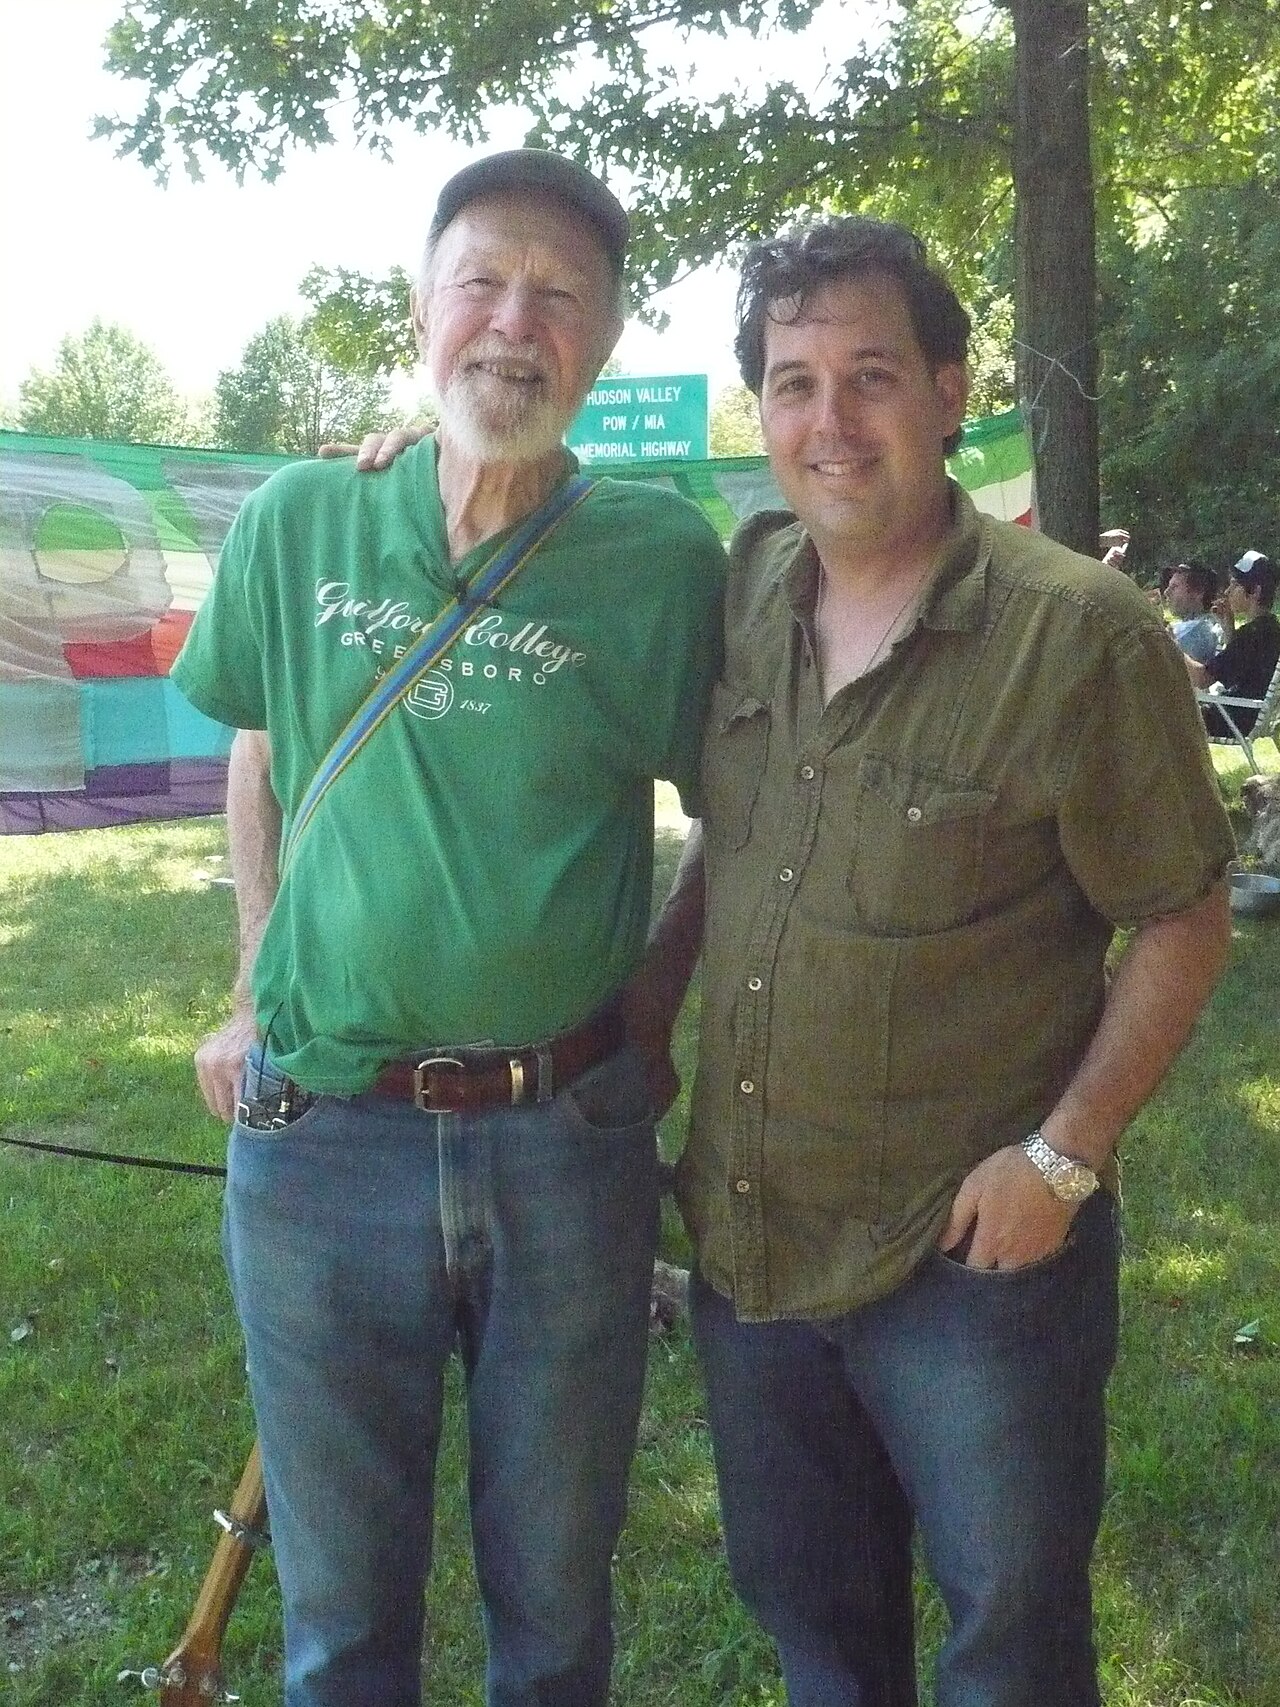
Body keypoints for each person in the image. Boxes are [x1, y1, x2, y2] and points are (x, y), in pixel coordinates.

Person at [647, 217, 1234, 1706]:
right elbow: (739, 838)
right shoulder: (747, 583)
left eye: (871, 376)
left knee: (1009, 1642)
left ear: (952, 389)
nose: (829, 423)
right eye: (791, 383)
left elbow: (1183, 911)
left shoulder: (1080, 637)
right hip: (753, 1241)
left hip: (972, 1265)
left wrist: (1064, 1153)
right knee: (818, 1628)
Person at [170, 149, 725, 1707]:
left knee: (554, 1601)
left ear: (604, 346)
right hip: (318, 1133)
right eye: (481, 279)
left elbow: (739, 811)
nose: (513, 321)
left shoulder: (663, 558)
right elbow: (262, 748)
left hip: (566, 1137)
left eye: (559, 297)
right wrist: (248, 982)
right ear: (421, 305)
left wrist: (650, 1011)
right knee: (343, 1613)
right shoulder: (300, 518)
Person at [1186, 549, 1280, 736]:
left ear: (1255, 591)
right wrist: (1229, 627)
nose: (1227, 591)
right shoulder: (1270, 629)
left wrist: (1166, 642)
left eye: (1234, 584)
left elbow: (1202, 678)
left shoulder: (1252, 635)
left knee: (1160, 710)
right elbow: (1242, 670)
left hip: (1232, 719)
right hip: (1246, 714)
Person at [1160, 559, 1221, 665]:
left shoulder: (1195, 633)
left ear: (1198, 592)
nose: (1166, 592)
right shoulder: (1211, 624)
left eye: (1174, 587)